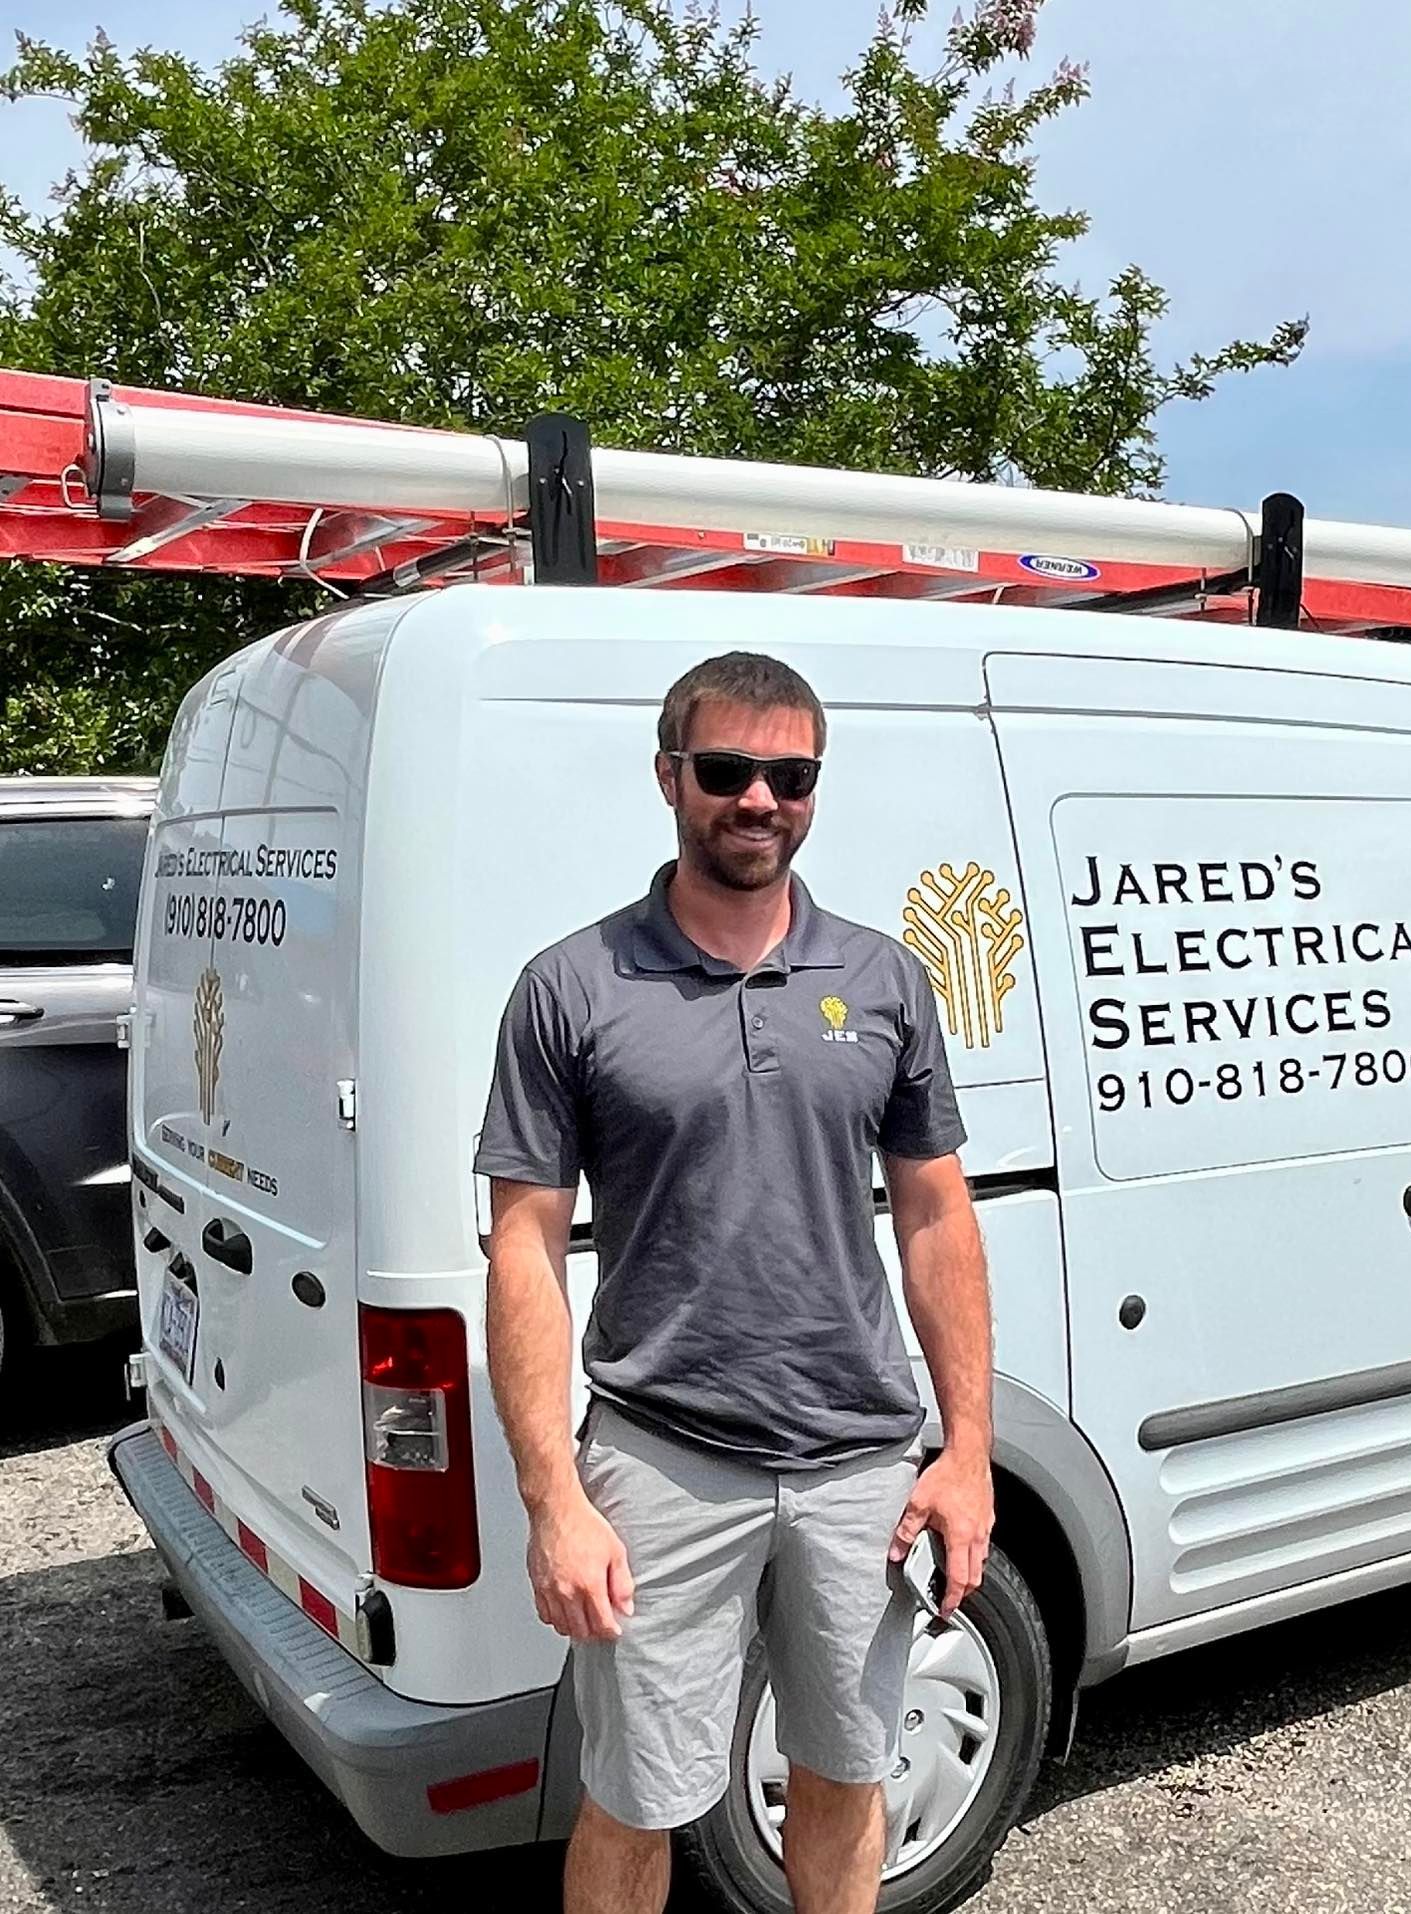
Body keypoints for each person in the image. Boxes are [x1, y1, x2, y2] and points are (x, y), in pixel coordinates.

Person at [475, 650, 994, 1914]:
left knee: (844, 1771)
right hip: (662, 1458)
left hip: (858, 1459)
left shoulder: (880, 978)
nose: (758, 799)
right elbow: (525, 1249)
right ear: (671, 778)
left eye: (790, 774)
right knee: (634, 1799)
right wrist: (555, 1498)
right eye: (727, 771)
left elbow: (934, 1213)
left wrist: (966, 1447)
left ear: (814, 788)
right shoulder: (573, 987)